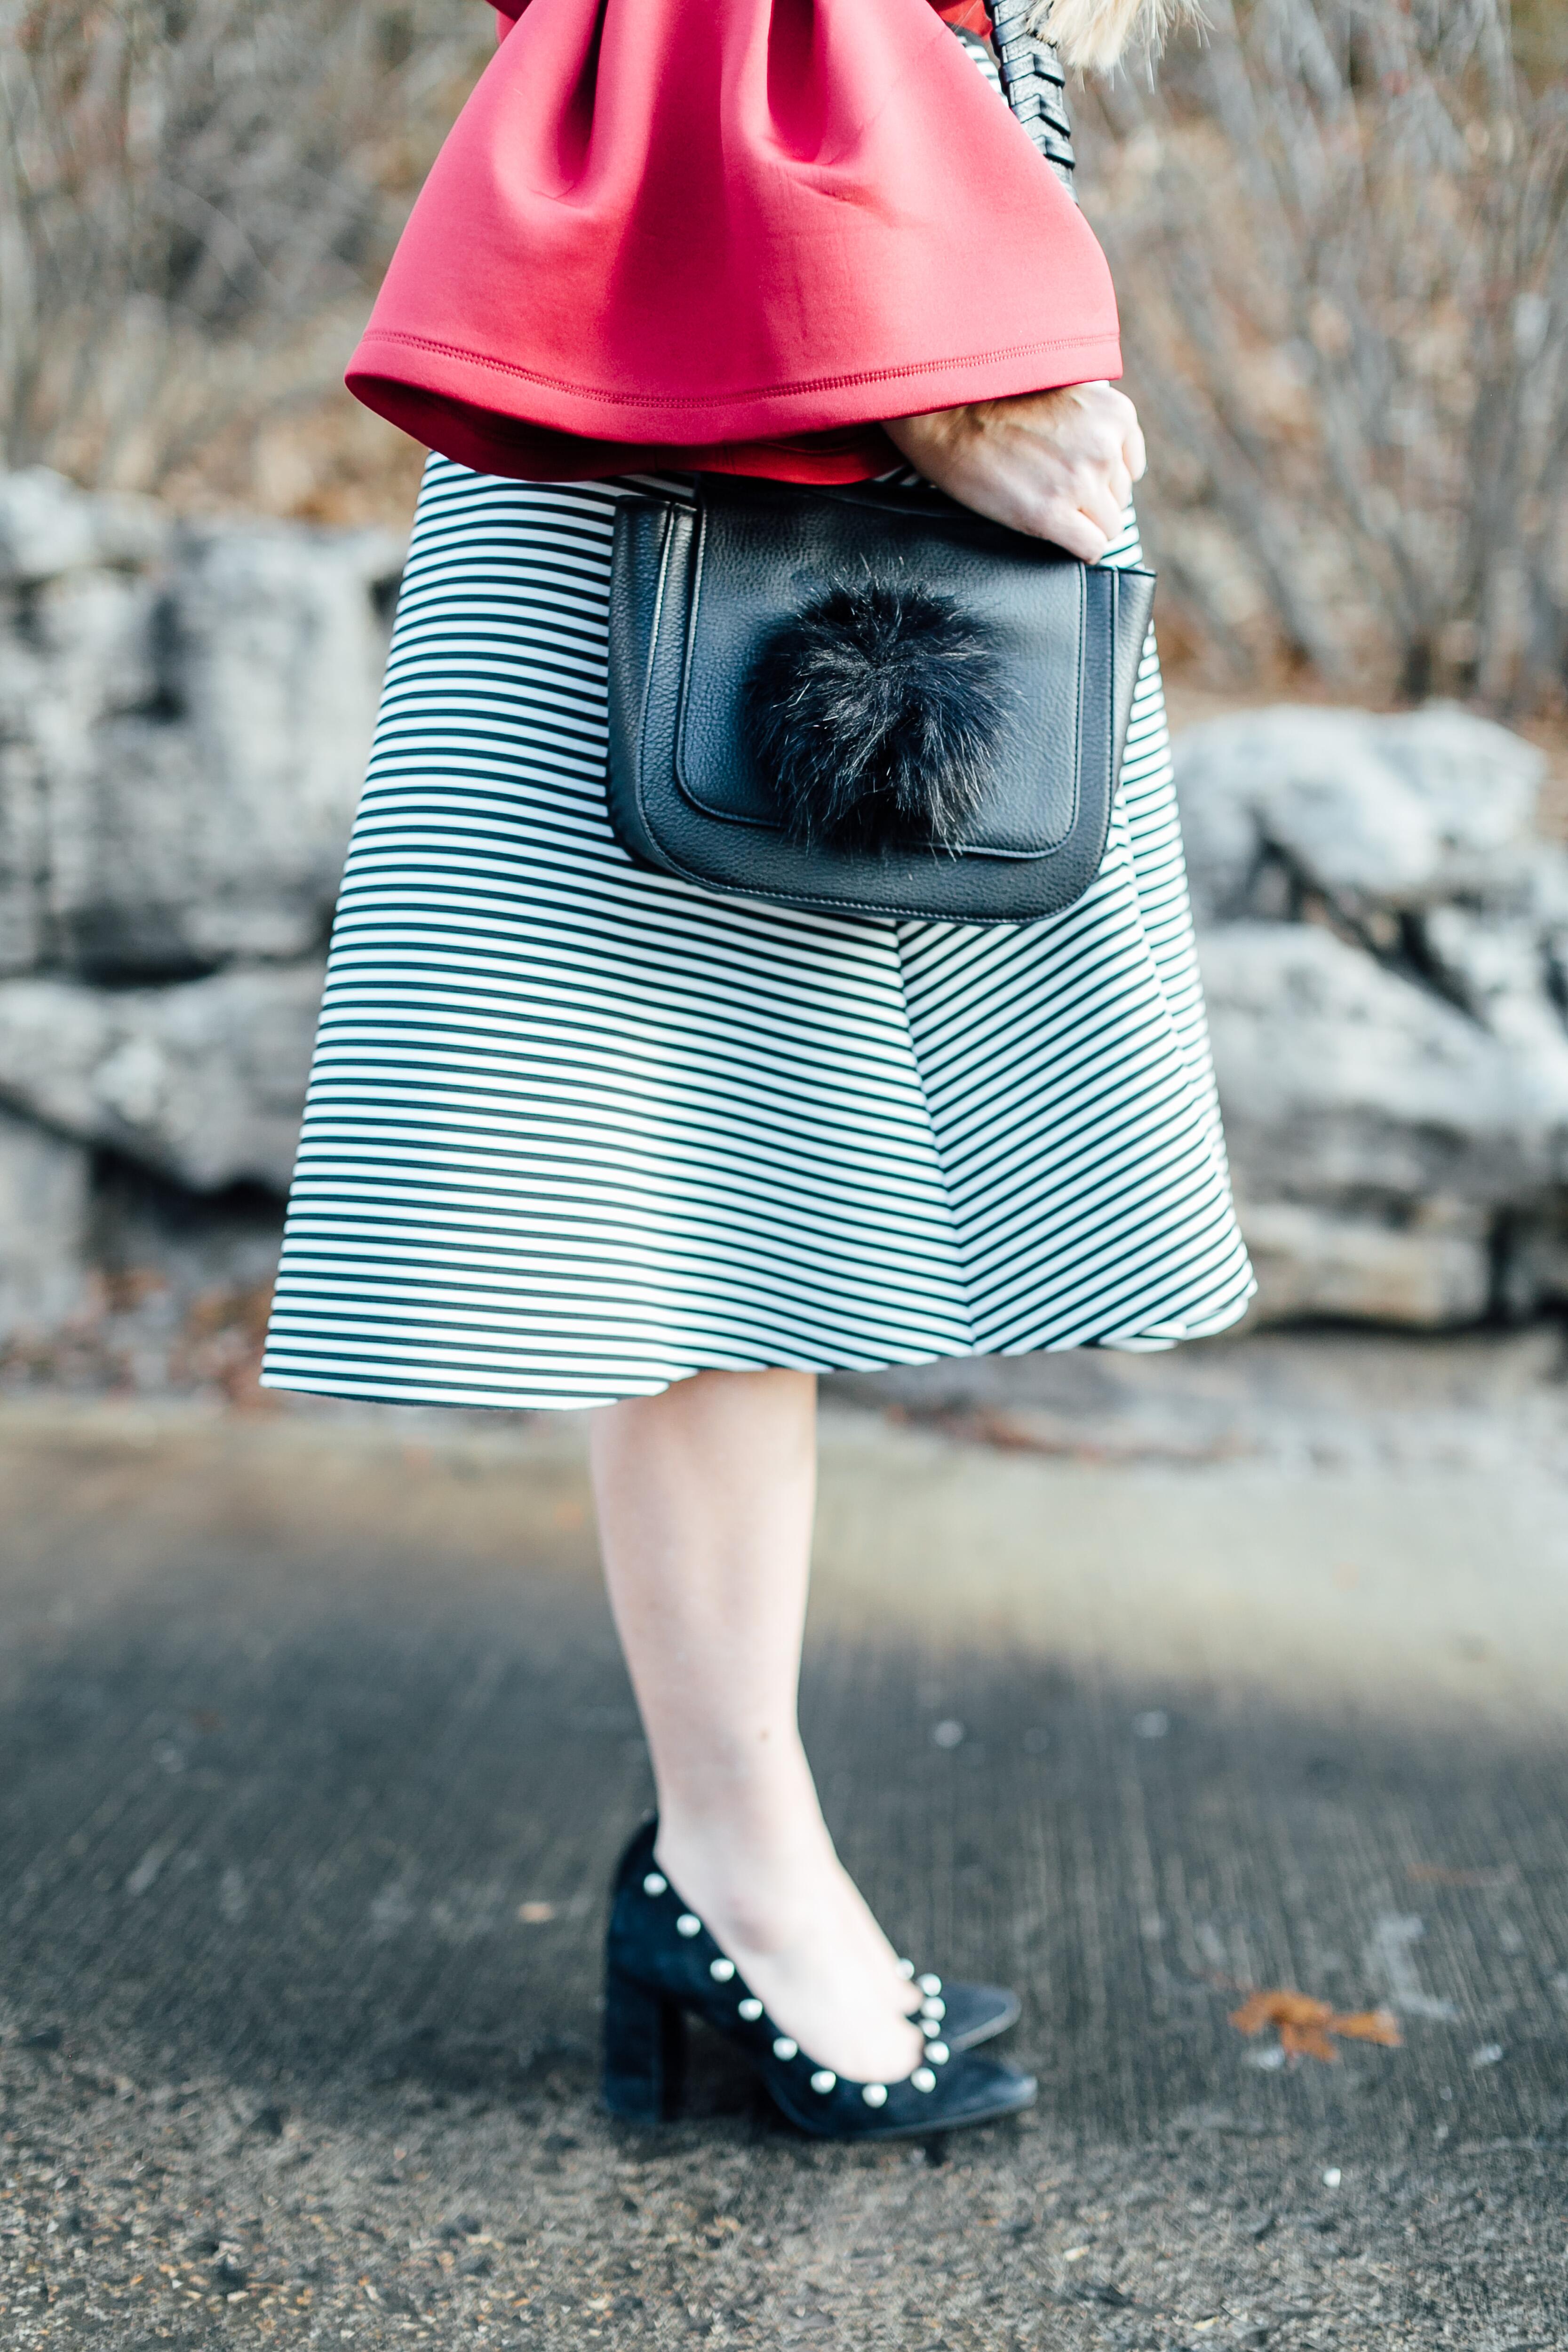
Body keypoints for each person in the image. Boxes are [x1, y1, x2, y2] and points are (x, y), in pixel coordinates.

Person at [262, 0, 1249, 2140]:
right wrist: (934, 360)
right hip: (768, 280)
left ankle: (730, 1857)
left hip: (848, 238)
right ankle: (735, 1863)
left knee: (748, 1176)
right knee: (696, 1163)